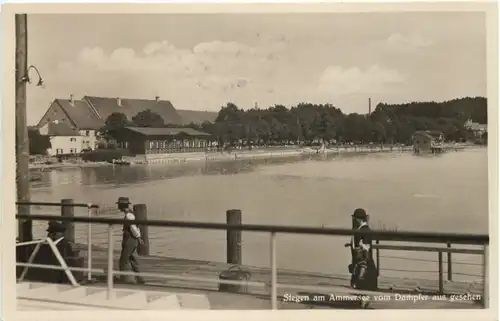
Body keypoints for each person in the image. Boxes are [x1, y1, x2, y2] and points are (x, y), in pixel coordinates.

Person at [117, 197, 145, 284]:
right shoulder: (130, 214)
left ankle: (126, 279)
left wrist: (138, 237)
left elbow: (133, 228)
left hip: (130, 240)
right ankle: (139, 278)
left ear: (121, 206)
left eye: (119, 205)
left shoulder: (129, 216)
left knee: (124, 259)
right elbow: (135, 227)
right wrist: (138, 237)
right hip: (132, 240)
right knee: (133, 259)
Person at [347, 208, 377, 290]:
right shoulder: (361, 230)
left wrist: (361, 273)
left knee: (362, 290)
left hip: (363, 267)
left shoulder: (363, 231)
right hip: (360, 265)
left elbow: (365, 252)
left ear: (358, 219)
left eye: (355, 218)